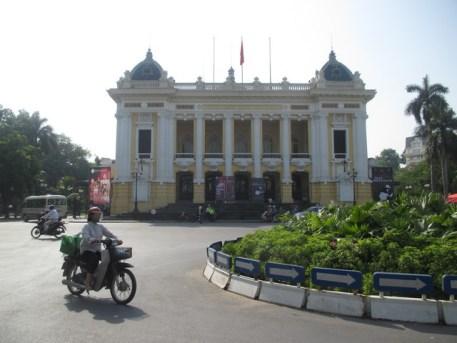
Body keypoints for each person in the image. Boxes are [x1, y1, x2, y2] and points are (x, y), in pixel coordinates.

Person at [79, 206, 122, 290]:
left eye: (99, 215)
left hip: (97, 250)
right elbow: (86, 236)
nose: (98, 216)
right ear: (91, 216)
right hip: (87, 250)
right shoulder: (86, 226)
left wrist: (117, 239)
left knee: (109, 258)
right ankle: (87, 282)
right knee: (94, 259)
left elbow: (109, 234)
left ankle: (103, 277)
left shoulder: (100, 226)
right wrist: (92, 240)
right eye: (96, 215)